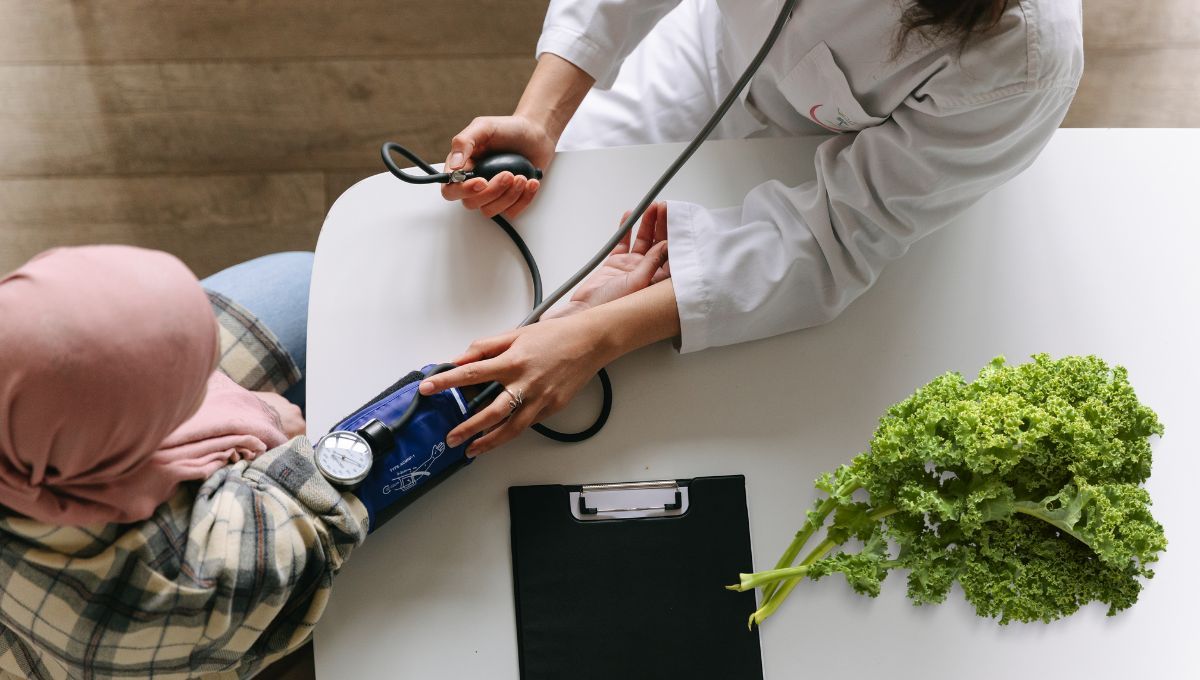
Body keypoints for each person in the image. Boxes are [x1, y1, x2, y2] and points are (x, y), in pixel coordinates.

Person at [425, 0, 1084, 456]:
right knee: (520, 249)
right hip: (704, 55)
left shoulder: (1021, 57)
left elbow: (838, 237)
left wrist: (595, 338)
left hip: (839, 154)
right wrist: (541, 119)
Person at [0, 246, 364, 679]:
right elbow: (310, 530)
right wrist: (266, 424)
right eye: (194, 395)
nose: (213, 383)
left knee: (309, 278)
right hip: (127, 645)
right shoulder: (155, 587)